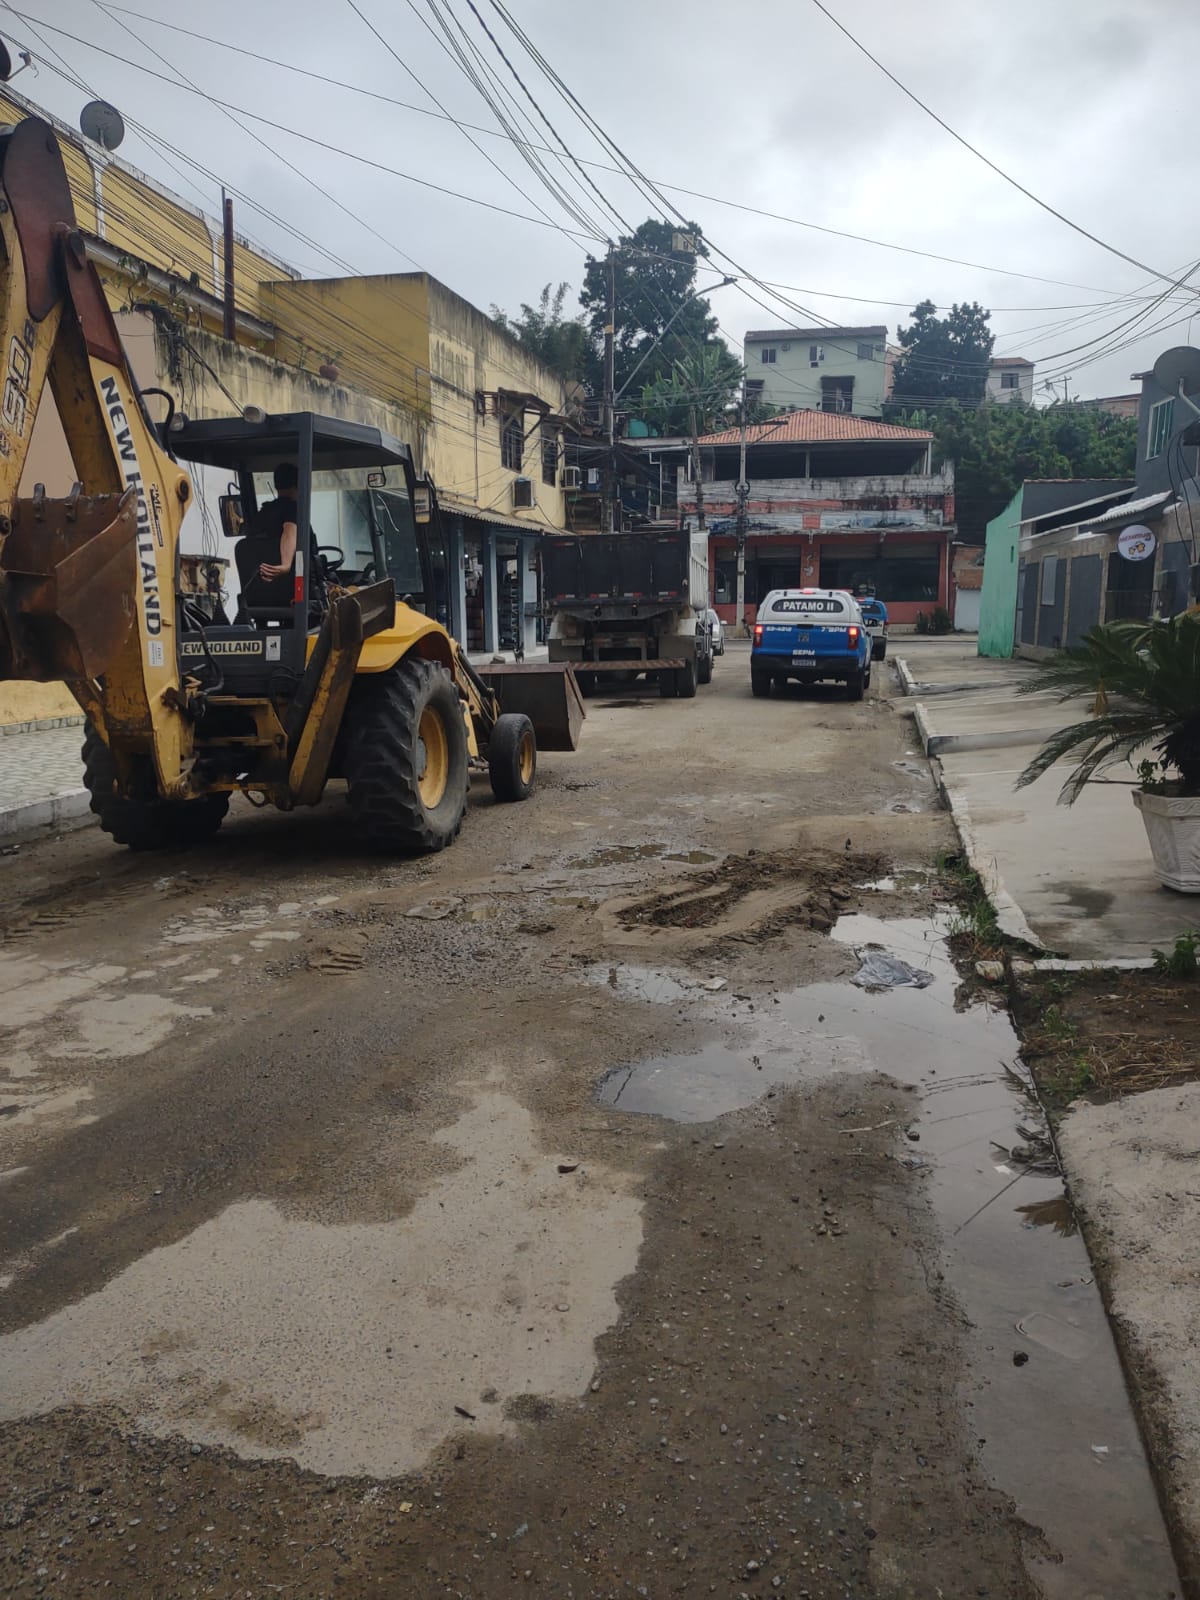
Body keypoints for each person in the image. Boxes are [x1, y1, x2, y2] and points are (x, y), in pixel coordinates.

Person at [235, 462, 326, 622]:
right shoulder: (294, 509)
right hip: (296, 596)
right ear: (298, 484)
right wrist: (285, 565)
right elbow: (289, 532)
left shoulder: (260, 516)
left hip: (258, 599)